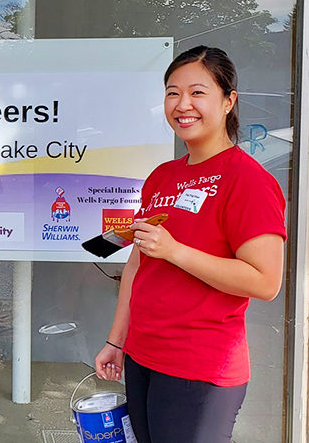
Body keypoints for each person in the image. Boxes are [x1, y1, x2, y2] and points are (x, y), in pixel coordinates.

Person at [93, 46, 286, 443]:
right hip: (143, 357)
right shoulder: (162, 176)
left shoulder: (246, 180)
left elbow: (265, 281)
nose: (183, 105)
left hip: (202, 368)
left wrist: (176, 251)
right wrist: (117, 340)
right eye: (172, 92)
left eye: (198, 92)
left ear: (229, 101)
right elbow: (137, 265)